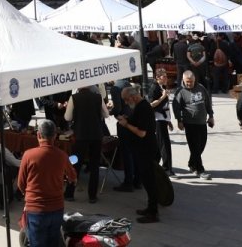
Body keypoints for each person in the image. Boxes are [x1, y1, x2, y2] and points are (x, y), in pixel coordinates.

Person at [16, 119, 77, 247]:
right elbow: (73, 178)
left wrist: (27, 196)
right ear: (55, 136)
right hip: (56, 208)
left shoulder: (28, 155)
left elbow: (21, 184)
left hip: (35, 210)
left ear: (38, 135)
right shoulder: (62, 155)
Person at [117, 84, 159, 223]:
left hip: (146, 149)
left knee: (150, 181)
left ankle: (153, 213)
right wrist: (127, 120)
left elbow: (141, 132)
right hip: (142, 150)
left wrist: (126, 125)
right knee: (147, 181)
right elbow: (137, 122)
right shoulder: (139, 107)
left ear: (133, 97)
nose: (125, 102)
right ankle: (150, 208)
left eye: (126, 99)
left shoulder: (144, 108)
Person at [64, 85, 108, 204]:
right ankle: (92, 196)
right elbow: (106, 115)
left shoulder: (74, 97)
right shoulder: (98, 97)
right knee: (94, 165)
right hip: (96, 134)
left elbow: (67, 117)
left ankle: (69, 193)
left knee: (75, 163)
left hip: (81, 135)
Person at [172, 70, 214, 180]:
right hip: (189, 123)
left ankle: (192, 163)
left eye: (191, 81)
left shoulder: (201, 87)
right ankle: (200, 169)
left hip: (202, 122)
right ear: (183, 80)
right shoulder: (180, 91)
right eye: (187, 81)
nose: (189, 84)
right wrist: (179, 120)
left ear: (194, 79)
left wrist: (211, 115)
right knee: (194, 147)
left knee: (201, 145)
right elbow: (176, 107)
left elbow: (207, 102)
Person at [149, 68, 174, 176]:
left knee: (161, 144)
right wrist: (163, 96)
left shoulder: (162, 87)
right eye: (164, 77)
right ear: (157, 78)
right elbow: (151, 104)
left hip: (163, 119)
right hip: (158, 119)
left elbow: (166, 105)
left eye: (166, 76)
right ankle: (166, 167)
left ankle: (156, 165)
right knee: (164, 144)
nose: (166, 79)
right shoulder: (154, 88)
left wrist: (169, 121)